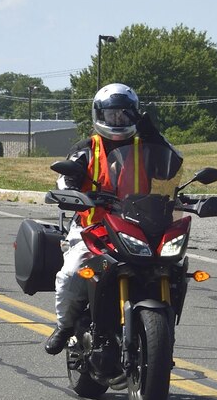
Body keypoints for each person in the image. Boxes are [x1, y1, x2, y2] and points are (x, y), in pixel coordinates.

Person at [42, 83, 183, 354]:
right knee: (71, 274)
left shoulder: (146, 146)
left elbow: (172, 166)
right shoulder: (87, 147)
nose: (117, 120)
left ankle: (160, 328)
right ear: (100, 115)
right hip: (93, 230)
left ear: (134, 115)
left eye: (124, 114)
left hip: (138, 226)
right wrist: (71, 192)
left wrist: (154, 134)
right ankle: (64, 326)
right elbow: (65, 178)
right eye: (112, 114)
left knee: (175, 267)